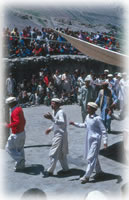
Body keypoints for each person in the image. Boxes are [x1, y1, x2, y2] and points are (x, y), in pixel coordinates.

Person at [69, 102, 108, 184]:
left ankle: (86, 176)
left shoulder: (98, 119)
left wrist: (105, 142)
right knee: (94, 156)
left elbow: (104, 130)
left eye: (88, 108)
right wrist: (74, 124)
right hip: (88, 140)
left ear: (94, 109)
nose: (87, 109)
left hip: (95, 141)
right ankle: (99, 172)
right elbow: (85, 125)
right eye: (87, 107)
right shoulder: (87, 117)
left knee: (91, 158)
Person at [44, 98, 69, 176]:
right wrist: (50, 128)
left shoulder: (60, 112)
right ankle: (66, 169)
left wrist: (51, 118)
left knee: (53, 153)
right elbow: (55, 123)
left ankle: (50, 171)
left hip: (60, 135)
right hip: (58, 134)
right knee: (61, 154)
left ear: (58, 104)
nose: (52, 105)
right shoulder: (54, 111)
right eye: (51, 103)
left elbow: (62, 122)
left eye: (54, 103)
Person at [5, 96, 26, 171]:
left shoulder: (15, 111)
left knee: (8, 148)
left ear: (12, 103)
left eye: (8, 104)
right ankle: (20, 165)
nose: (8, 105)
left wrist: (8, 126)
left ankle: (20, 160)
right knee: (20, 149)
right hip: (22, 132)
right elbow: (23, 120)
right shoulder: (19, 108)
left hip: (16, 133)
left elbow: (17, 122)